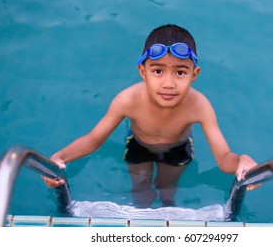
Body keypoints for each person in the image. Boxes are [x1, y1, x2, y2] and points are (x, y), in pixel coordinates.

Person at [42, 24, 258, 208]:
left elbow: (223, 159)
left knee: (167, 192)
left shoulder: (199, 106)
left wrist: (242, 160)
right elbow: (93, 139)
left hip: (177, 149)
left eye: (180, 72)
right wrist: (60, 156)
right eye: (158, 71)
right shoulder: (127, 100)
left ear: (194, 74)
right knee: (141, 191)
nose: (168, 83)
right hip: (138, 145)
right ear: (142, 71)